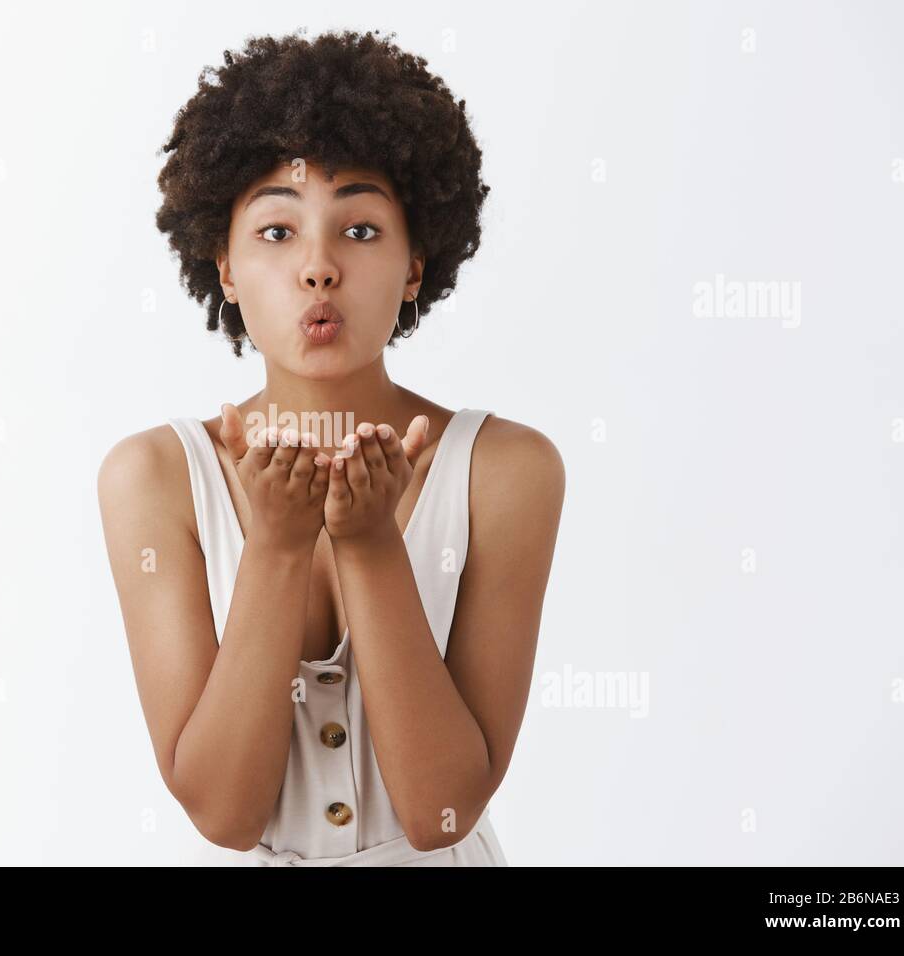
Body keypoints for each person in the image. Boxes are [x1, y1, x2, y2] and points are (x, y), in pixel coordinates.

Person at [98, 29, 565, 865]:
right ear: (226, 268)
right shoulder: (154, 477)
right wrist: (275, 545)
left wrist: (369, 541)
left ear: (416, 262)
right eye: (277, 232)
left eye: (360, 230)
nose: (318, 268)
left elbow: (442, 814)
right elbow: (225, 816)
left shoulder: (508, 470)